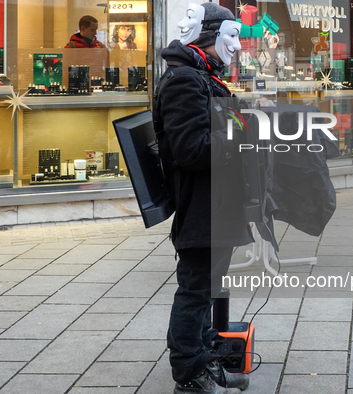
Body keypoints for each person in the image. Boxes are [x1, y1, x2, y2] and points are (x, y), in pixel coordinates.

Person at [153, 3, 252, 393]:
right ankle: (189, 374)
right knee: (195, 290)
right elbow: (192, 149)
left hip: (217, 203)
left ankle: (202, 357)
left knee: (207, 288)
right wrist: (242, 134)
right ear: (208, 37)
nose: (238, 46)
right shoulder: (184, 80)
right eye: (232, 36)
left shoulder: (201, 75)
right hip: (202, 206)